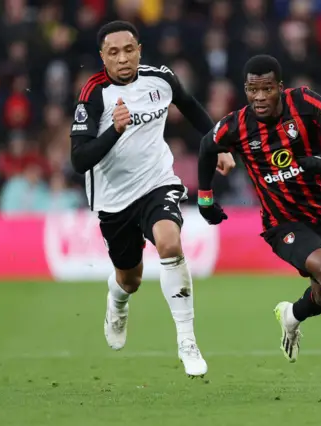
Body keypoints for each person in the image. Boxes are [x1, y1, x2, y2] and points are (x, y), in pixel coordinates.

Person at [196, 54, 321, 386]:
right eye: (252, 90)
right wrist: (205, 199)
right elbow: (207, 147)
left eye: (266, 89)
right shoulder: (236, 125)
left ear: (279, 87)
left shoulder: (304, 101)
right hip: (282, 224)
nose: (259, 98)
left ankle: (291, 314)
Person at [69, 21, 235, 378]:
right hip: (114, 200)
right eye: (113, 53)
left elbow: (189, 106)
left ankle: (187, 341)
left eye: (129, 50)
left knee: (170, 243)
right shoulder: (94, 94)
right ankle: (117, 299)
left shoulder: (160, 79)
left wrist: (216, 144)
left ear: (139, 50)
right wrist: (114, 130)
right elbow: (79, 159)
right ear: (103, 58)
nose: (123, 59)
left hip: (157, 183)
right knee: (130, 279)